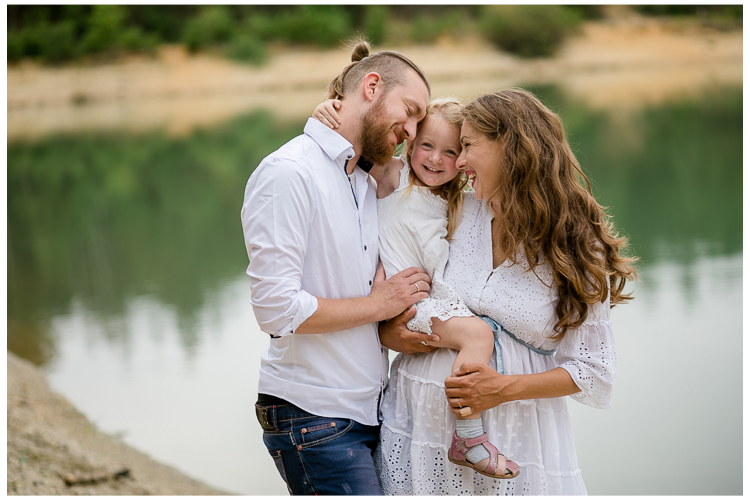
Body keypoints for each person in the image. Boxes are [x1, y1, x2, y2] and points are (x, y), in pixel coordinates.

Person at [378, 88, 637, 495]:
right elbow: (388, 178)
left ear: (510, 147)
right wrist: (390, 333)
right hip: (415, 428)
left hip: (515, 437)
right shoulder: (455, 207)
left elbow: (593, 371)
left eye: (467, 147)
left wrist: (501, 389)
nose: (457, 162)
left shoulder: (574, 245)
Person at [241, 41, 437, 495]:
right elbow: (275, 310)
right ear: (371, 86)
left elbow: (445, 170)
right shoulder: (289, 173)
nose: (411, 130)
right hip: (313, 416)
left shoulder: (365, 178)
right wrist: (378, 305)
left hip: (367, 413)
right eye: (408, 112)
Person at [314, 96, 519, 479]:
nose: (436, 159)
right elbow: (344, 146)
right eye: (427, 145)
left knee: (477, 332)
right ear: (409, 141)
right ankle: (469, 437)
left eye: (451, 151)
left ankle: (468, 433)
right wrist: (325, 111)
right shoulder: (393, 175)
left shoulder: (459, 194)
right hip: (407, 299)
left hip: (429, 297)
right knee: (477, 335)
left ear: (462, 159)